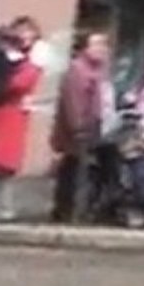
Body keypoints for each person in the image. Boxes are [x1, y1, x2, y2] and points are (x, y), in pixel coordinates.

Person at [0, 17, 44, 220]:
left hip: (6, 118)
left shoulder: (28, 66)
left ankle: (0, 207)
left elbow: (18, 84)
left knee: (1, 168)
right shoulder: (7, 61)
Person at [50, 31, 110, 223]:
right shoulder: (78, 70)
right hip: (79, 128)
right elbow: (73, 100)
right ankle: (67, 211)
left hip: (90, 125)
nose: (102, 50)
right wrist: (78, 127)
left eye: (104, 45)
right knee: (73, 169)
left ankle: (70, 209)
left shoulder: (95, 70)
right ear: (85, 48)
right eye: (97, 45)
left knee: (77, 168)